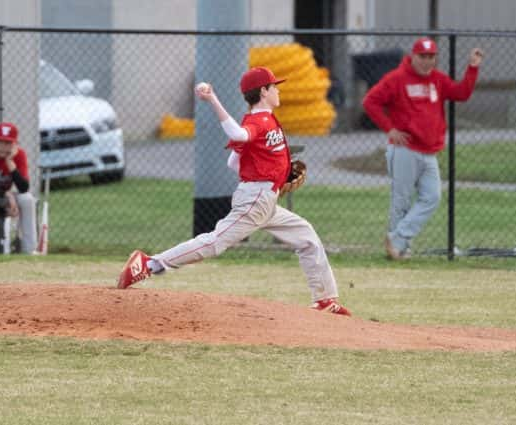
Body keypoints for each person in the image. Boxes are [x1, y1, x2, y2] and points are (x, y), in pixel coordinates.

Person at [117, 67, 351, 316]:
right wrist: (212, 99)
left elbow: (233, 162)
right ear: (263, 91)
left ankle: (325, 300)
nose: (278, 90)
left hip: (263, 198)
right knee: (216, 243)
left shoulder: (265, 119)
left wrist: (269, 169)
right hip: (257, 198)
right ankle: (149, 264)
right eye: (274, 86)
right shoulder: (255, 122)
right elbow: (237, 134)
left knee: (306, 237)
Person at [363, 37, 484, 260]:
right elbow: (371, 102)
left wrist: (472, 68)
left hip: (429, 152)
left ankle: (397, 239)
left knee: (432, 197)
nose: (427, 61)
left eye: (431, 57)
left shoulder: (437, 80)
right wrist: (389, 129)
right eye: (423, 56)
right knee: (402, 201)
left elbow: (461, 93)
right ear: (413, 56)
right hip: (404, 150)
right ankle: (399, 249)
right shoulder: (397, 79)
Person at [0, 122, 37, 254]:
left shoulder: (19, 155)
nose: (3, 147)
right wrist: (7, 195)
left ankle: (29, 250)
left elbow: (24, 188)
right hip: (1, 197)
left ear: (15, 144)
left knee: (27, 199)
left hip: (5, 197)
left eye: (8, 143)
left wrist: (10, 163)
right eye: (0, 142)